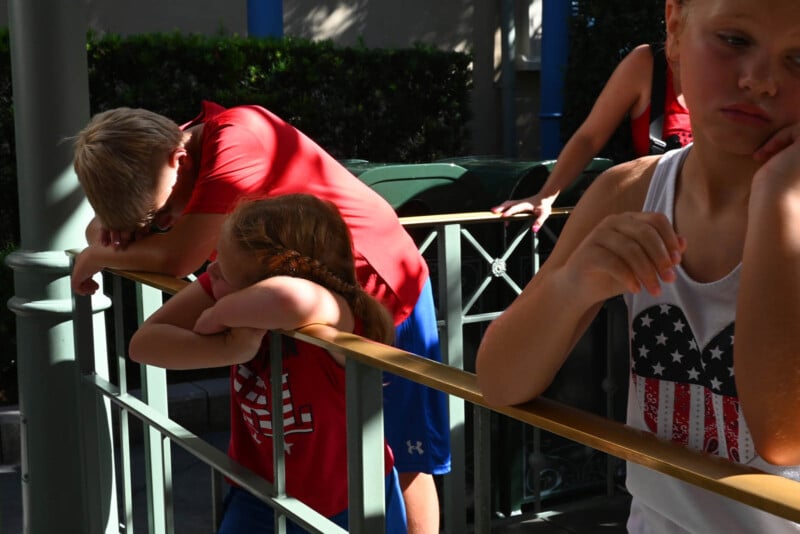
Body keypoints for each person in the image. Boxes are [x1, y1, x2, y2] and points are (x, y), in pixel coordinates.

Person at [476, 0, 800, 531]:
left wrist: (779, 202)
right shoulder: (628, 191)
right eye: (735, 40)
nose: (762, 81)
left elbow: (783, 435)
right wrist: (572, 285)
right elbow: (499, 380)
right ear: (674, 27)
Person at [71, 101, 449, 534]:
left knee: (403, 454)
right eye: (155, 224)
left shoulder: (237, 140)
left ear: (178, 160)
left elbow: (179, 257)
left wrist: (100, 253)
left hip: (378, 290)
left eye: (161, 217)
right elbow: (118, 233)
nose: (167, 224)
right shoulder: (164, 159)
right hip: (285, 314)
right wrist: (113, 230)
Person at [129, 194, 407, 533]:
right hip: (259, 491)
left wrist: (217, 314)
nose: (209, 269)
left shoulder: (336, 310)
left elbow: (287, 297)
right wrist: (231, 351)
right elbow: (143, 345)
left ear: (266, 279)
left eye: (223, 268)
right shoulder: (231, 279)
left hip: (350, 502)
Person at [492, 40, 693, 232]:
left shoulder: (723, 73)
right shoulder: (647, 64)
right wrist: (546, 195)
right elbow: (589, 138)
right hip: (657, 229)